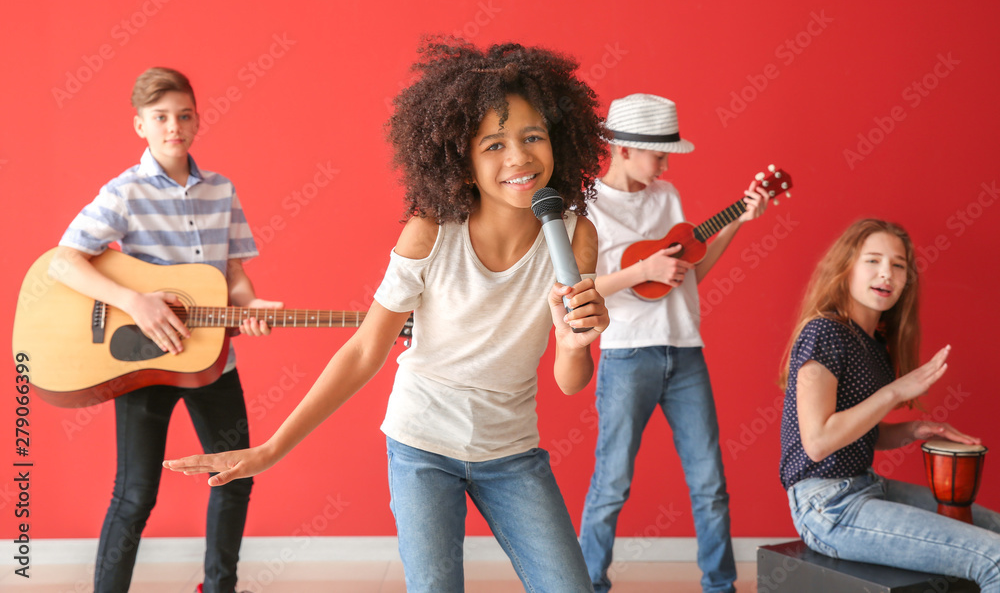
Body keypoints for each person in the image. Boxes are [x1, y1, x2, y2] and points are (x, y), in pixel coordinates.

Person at [164, 39, 610, 592]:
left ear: (557, 143)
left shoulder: (572, 236)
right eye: (493, 144)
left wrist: (572, 344)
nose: (518, 157)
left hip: (512, 451)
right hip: (422, 444)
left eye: (532, 137)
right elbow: (364, 349)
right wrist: (271, 449)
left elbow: (572, 381)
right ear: (463, 161)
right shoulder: (431, 234)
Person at [51, 67, 281, 593]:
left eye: (183, 115)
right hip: (147, 363)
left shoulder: (220, 190)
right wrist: (135, 301)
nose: (173, 126)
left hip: (214, 359)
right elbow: (63, 263)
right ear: (140, 125)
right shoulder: (124, 193)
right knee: (135, 494)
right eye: (160, 117)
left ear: (197, 120)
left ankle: (218, 587)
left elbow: (234, 274)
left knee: (235, 473)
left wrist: (252, 305)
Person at [578, 93, 771, 593]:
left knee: (710, 484)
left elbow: (688, 275)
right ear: (622, 149)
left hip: (685, 351)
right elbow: (582, 289)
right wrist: (643, 269)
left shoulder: (667, 198)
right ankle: (587, 584)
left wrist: (737, 224)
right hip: (626, 357)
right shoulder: (588, 209)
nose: (665, 164)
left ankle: (720, 586)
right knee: (612, 483)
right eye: (658, 154)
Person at [779, 218, 1000, 591]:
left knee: (992, 527)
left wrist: (914, 430)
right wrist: (895, 392)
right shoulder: (824, 332)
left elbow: (859, 432)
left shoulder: (873, 343)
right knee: (994, 557)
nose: (887, 274)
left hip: (867, 487)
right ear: (846, 267)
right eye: (873, 261)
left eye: (898, 265)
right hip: (827, 506)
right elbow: (818, 442)